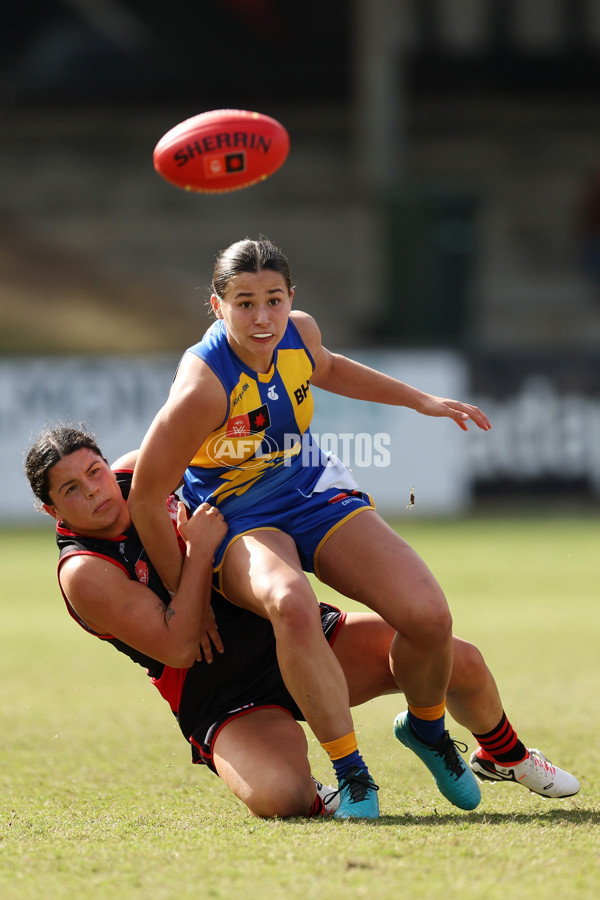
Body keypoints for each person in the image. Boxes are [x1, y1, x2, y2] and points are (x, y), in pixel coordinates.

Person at [25, 426, 580, 820]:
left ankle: (503, 753)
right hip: (220, 690)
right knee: (280, 799)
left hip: (299, 632)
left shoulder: (142, 470)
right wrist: (197, 556)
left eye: (93, 471)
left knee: (461, 661)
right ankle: (323, 789)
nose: (94, 490)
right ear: (52, 511)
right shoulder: (83, 573)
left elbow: (236, 449)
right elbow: (178, 646)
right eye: (71, 489)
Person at [128, 237, 493, 817]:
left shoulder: (300, 332)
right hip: (237, 516)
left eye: (274, 299)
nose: (263, 317)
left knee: (427, 614)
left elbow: (330, 368)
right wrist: (185, 597)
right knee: (291, 601)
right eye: (244, 303)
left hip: (307, 492)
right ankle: (352, 775)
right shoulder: (202, 388)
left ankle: (426, 729)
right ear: (217, 307)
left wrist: (419, 401)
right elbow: (146, 499)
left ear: (291, 297)